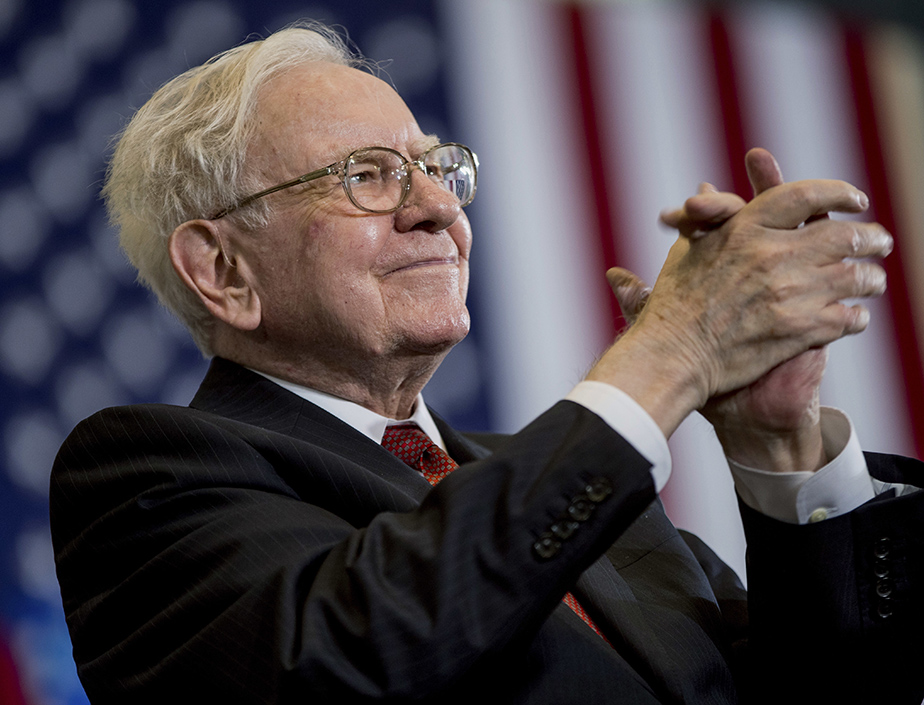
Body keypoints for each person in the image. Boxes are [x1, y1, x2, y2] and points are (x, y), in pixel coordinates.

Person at [50, 21, 923, 705]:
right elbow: (356, 662)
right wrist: (672, 353)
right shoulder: (146, 480)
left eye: (435, 167)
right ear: (224, 270)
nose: (436, 206)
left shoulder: (587, 492)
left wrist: (780, 449)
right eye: (366, 174)